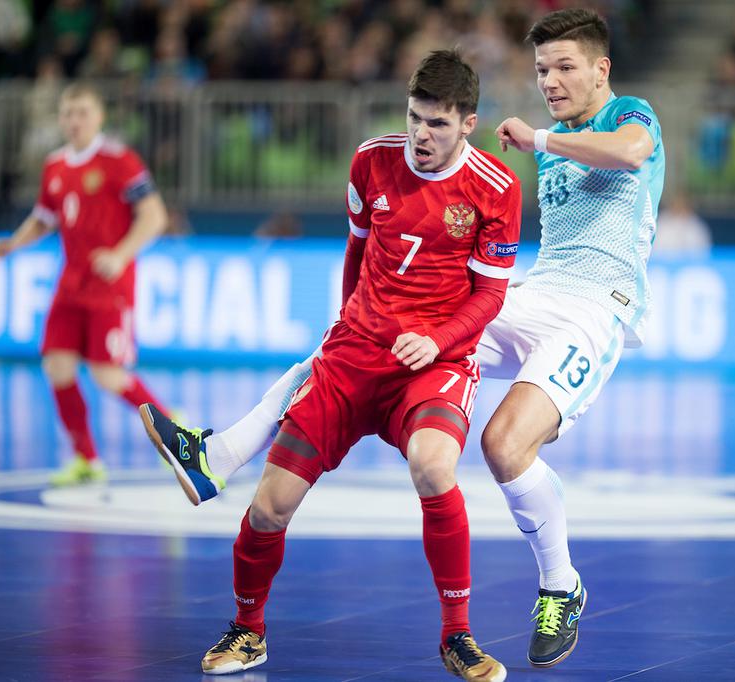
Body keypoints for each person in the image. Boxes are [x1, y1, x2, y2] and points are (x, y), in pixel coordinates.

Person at [140, 7, 664, 671]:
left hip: (598, 308)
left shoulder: (629, 116)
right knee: (369, 333)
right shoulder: (521, 140)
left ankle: (560, 586)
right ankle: (219, 452)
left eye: (564, 67)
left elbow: (632, 155)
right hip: (538, 295)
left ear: (601, 69)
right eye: (540, 69)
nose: (550, 80)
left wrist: (540, 140)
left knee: (504, 444)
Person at [141, 50, 519, 679]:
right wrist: (348, 325)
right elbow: (356, 250)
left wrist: (438, 339)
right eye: (415, 118)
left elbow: (491, 293)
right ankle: (247, 630)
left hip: (435, 362)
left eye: (438, 125)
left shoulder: (497, 189)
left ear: (469, 123)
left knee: (433, 467)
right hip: (356, 356)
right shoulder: (371, 161)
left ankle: (459, 635)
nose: (422, 136)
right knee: (269, 507)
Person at [0, 82, 170, 486]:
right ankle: (86, 458)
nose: (75, 122)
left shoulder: (119, 160)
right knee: (56, 366)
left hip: (110, 285)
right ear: (60, 118)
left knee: (108, 375)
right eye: (68, 114)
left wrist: (120, 255)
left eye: (83, 113)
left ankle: (174, 432)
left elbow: (154, 216)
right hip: (70, 283)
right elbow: (45, 216)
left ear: (99, 116)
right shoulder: (55, 165)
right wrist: (14, 243)